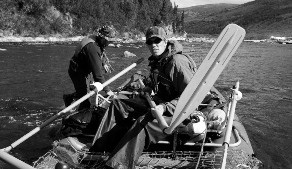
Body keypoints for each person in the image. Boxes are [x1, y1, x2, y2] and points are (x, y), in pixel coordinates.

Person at [89, 26, 226, 169]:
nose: (154, 44)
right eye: (150, 42)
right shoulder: (158, 61)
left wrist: (164, 107)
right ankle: (100, 148)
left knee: (144, 121)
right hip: (165, 104)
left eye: (157, 40)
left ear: (165, 41)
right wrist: (148, 87)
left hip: (182, 112)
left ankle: (118, 165)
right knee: (118, 104)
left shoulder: (177, 63)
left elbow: (191, 98)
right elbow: (161, 84)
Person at [64, 25, 116, 111]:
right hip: (77, 71)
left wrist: (104, 62)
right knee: (85, 99)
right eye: (109, 41)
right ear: (103, 37)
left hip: (85, 69)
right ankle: (80, 117)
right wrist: (108, 91)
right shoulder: (92, 48)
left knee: (90, 88)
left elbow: (101, 51)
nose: (109, 43)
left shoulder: (97, 40)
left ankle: (69, 98)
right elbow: (98, 75)